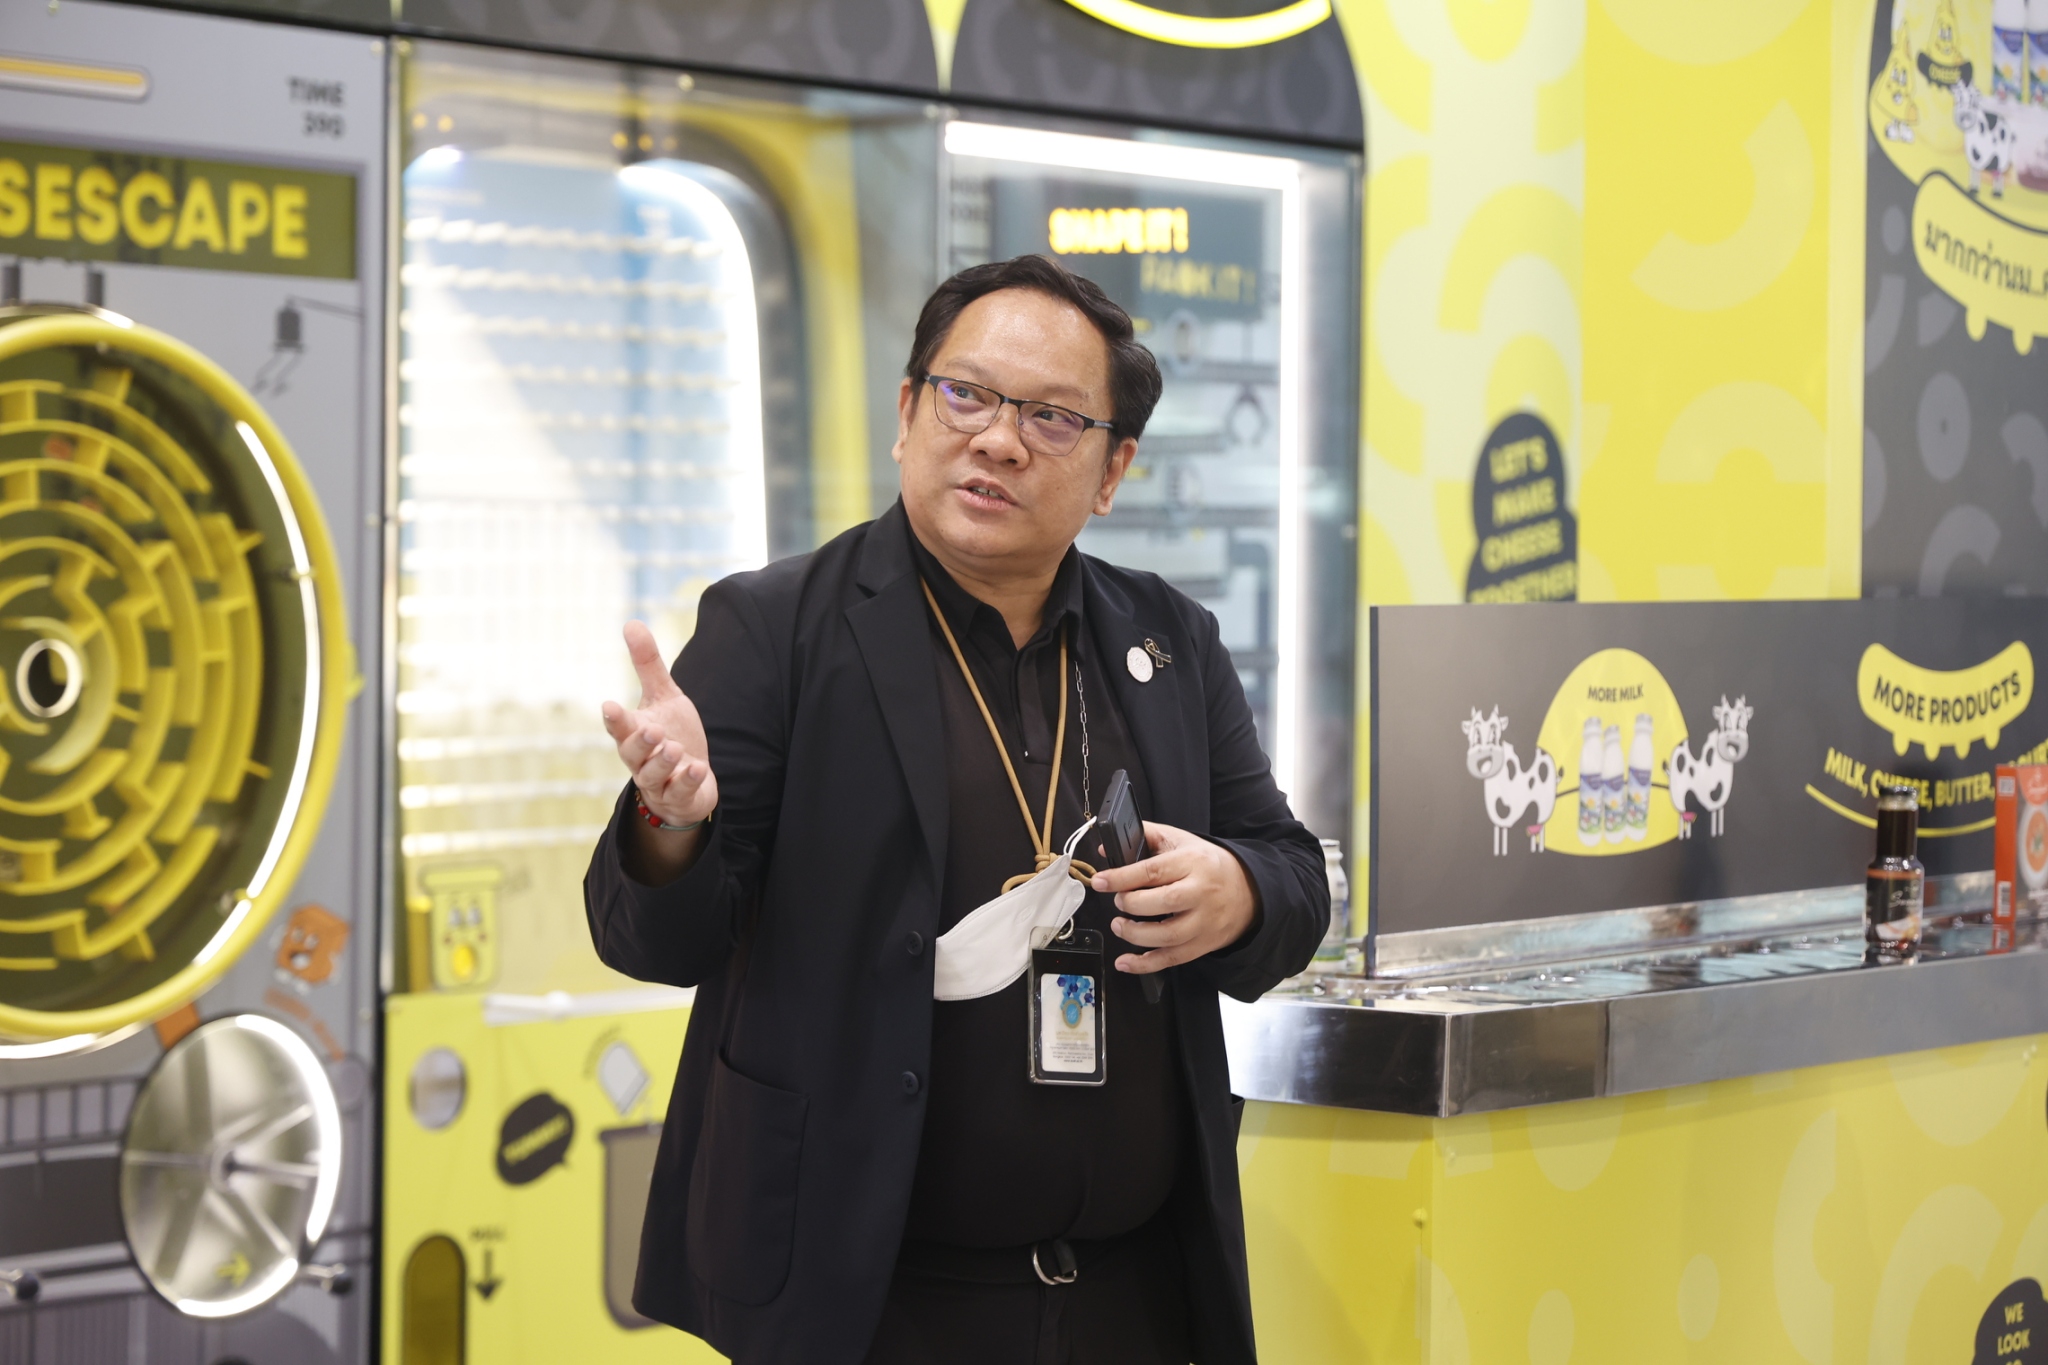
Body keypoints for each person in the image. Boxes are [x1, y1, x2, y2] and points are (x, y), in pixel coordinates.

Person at [586, 253, 1327, 1365]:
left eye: (1052, 417)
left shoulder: (1168, 640)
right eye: (966, 394)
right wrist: (672, 822)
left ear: (1113, 469)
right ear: (907, 414)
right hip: (864, 1296)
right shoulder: (776, 630)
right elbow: (651, 940)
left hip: (1132, 1293)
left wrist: (1240, 890)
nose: (998, 439)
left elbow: (1290, 870)